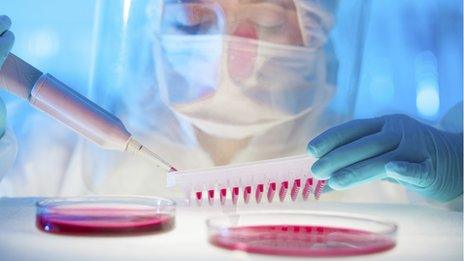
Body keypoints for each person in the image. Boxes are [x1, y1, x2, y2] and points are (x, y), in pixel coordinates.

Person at [0, 1, 461, 208]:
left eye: (267, 18)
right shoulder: (49, 145)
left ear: (321, 29)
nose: (229, 52)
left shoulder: (390, 166)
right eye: (195, 18)